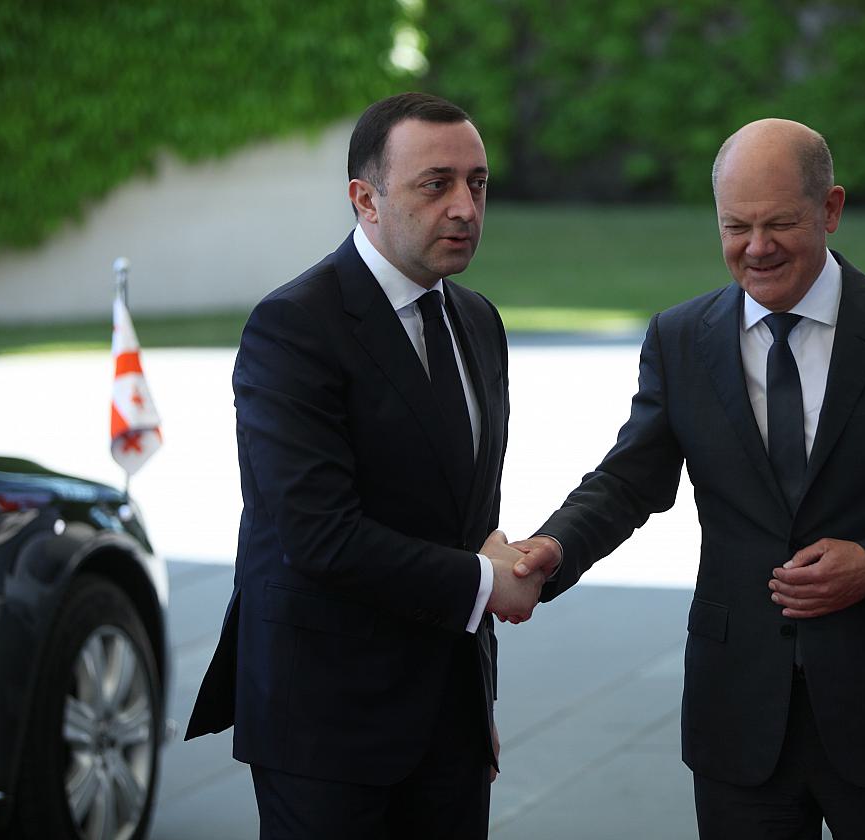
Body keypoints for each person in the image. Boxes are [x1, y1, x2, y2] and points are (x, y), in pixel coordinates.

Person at [508, 118, 865, 839]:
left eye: (779, 223)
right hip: (738, 715)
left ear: (830, 209)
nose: (756, 247)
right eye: (736, 227)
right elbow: (628, 482)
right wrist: (555, 546)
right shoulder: (679, 339)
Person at [186, 92, 542, 840]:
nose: (465, 207)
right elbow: (320, 537)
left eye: (477, 183)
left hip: (448, 723)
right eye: (436, 184)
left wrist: (474, 704)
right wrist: (485, 583)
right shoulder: (293, 327)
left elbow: (465, 521)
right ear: (365, 199)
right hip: (325, 728)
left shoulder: (478, 320)